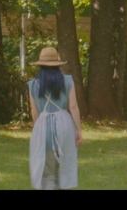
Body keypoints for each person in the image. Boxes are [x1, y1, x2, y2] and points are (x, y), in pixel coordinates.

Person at [27, 46, 82, 190]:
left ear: (40, 65)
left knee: (48, 172)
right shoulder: (68, 81)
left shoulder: (33, 84)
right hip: (64, 125)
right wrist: (79, 130)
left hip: (43, 126)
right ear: (58, 64)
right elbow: (73, 106)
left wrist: (37, 129)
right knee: (62, 169)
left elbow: (34, 110)